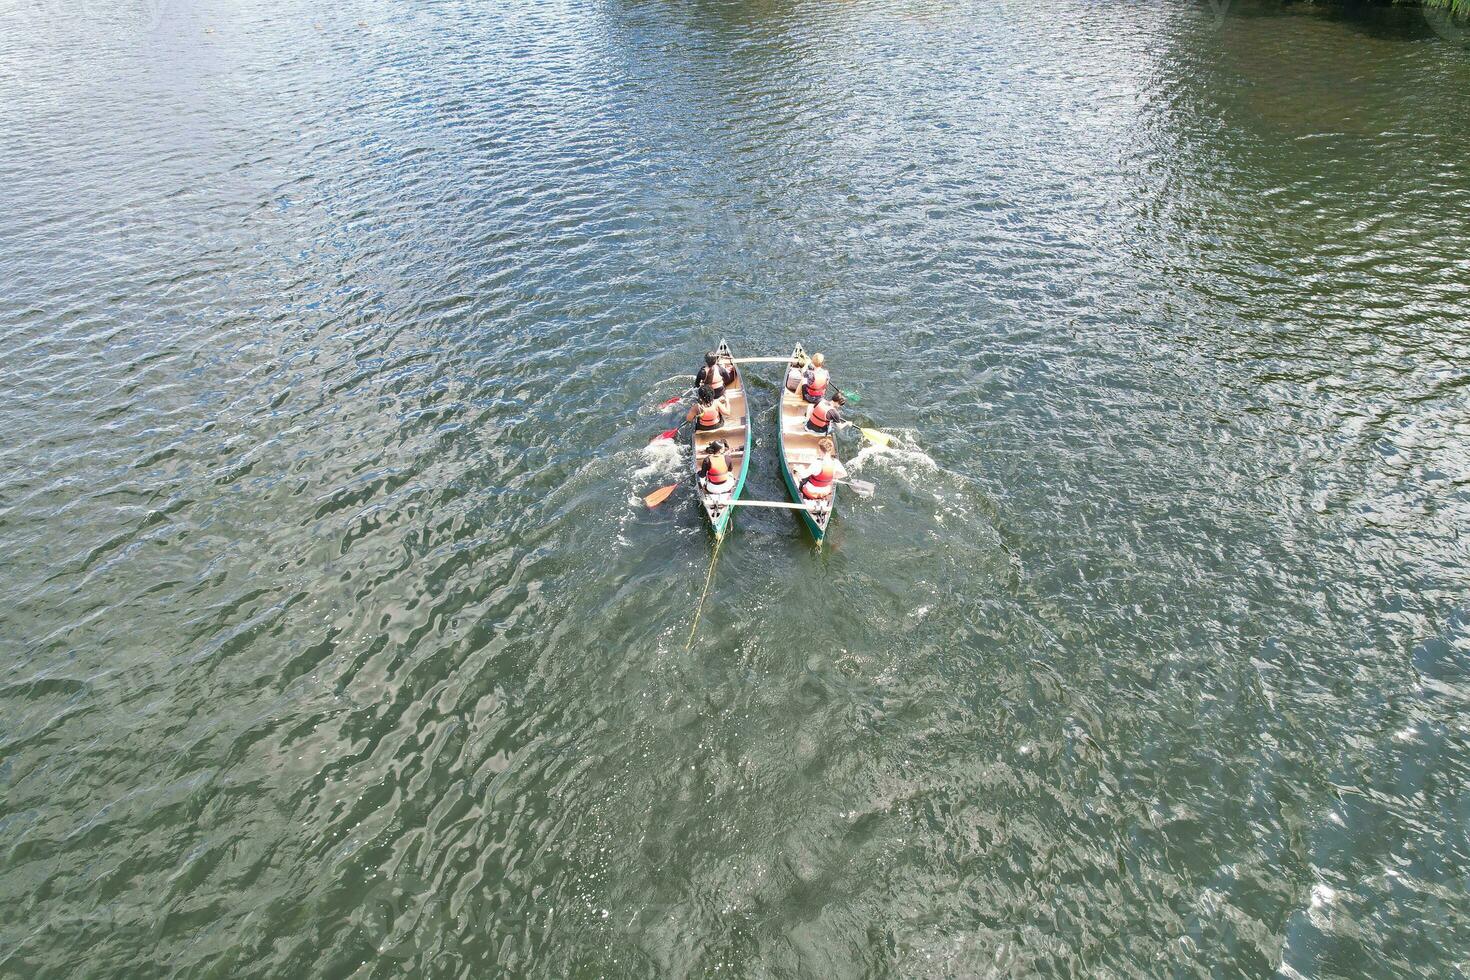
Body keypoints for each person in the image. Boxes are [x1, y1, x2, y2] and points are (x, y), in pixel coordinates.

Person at [797, 437, 845, 504]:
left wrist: (799, 468)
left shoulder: (817, 463)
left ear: (820, 450)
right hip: (825, 492)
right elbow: (843, 474)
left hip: (810, 492)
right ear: (830, 450)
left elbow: (803, 475)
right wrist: (831, 477)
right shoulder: (835, 462)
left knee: (797, 477)